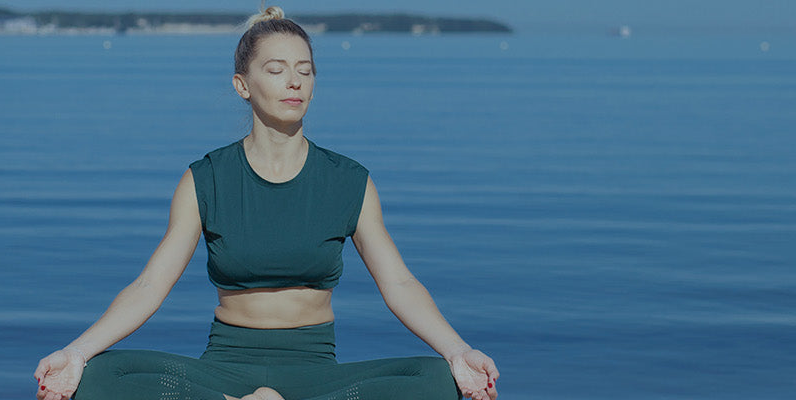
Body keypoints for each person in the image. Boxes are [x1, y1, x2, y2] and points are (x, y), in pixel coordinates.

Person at [34, 6, 499, 400]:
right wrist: (75, 352)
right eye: (276, 70)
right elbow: (149, 286)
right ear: (243, 84)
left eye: (305, 70)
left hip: (319, 369)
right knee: (97, 376)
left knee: (439, 379)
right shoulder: (206, 178)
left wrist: (459, 350)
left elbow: (399, 283)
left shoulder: (349, 180)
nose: (293, 82)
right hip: (222, 369)